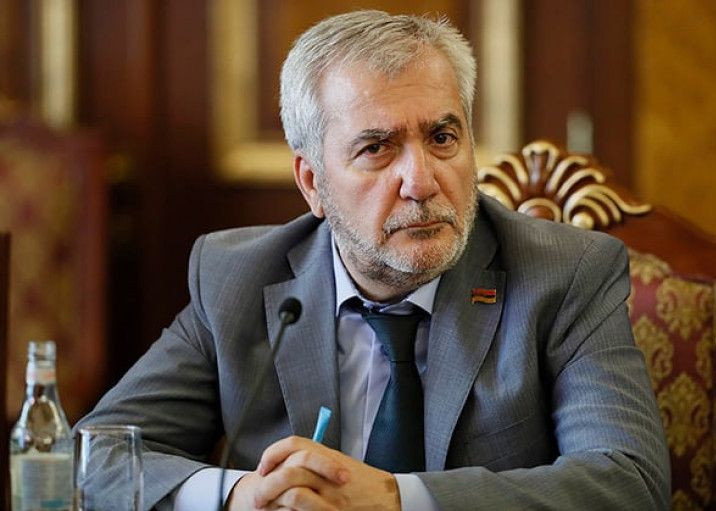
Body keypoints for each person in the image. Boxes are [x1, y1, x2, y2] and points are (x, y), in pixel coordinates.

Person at [77, 10, 670, 511]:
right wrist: (243, 496)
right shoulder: (238, 278)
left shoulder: (565, 275)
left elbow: (629, 481)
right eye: (377, 148)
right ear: (313, 183)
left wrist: (397, 499)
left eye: (442, 138)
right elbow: (91, 455)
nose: (421, 181)